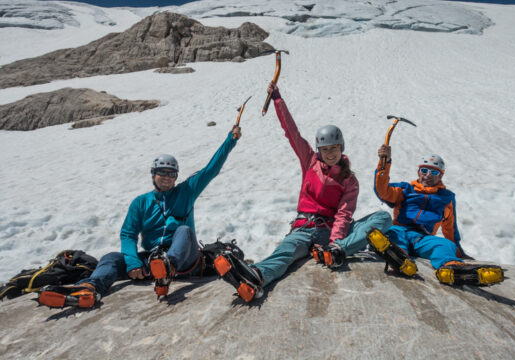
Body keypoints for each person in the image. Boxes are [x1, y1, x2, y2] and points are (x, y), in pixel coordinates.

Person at [214, 82, 391, 303]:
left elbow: (344, 214)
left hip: (330, 233)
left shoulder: (349, 179)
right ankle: (255, 276)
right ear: (319, 150)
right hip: (304, 228)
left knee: (383, 217)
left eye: (334, 149)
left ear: (341, 148)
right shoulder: (309, 161)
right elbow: (292, 132)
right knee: (287, 251)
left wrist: (335, 242)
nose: (329, 154)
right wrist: (277, 99)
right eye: (325, 150)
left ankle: (337, 251)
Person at [37, 126, 242, 308]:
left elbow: (210, 170)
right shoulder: (140, 202)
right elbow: (128, 234)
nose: (167, 177)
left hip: (185, 259)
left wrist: (230, 140)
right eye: (162, 172)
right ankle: (89, 288)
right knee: (111, 258)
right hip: (153, 259)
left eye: (171, 174)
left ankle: (167, 268)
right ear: (153, 174)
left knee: (184, 230)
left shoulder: (186, 191)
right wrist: (133, 262)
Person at [370, 145, 503, 286]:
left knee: (445, 244)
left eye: (434, 172)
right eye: (424, 170)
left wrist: (459, 252)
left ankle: (451, 269)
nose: (427, 175)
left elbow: (450, 227)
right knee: (393, 236)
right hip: (400, 229)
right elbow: (382, 190)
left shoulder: (446, 198)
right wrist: (384, 162)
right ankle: (399, 258)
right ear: (418, 171)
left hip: (423, 238)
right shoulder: (405, 189)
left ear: (441, 175)